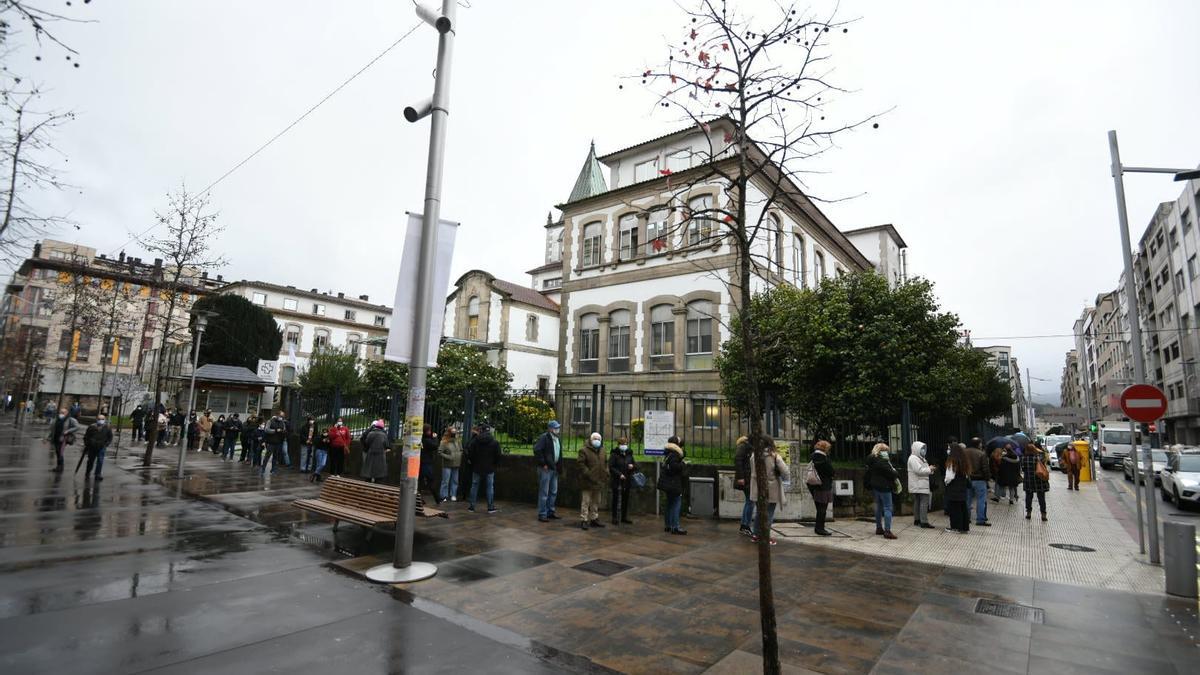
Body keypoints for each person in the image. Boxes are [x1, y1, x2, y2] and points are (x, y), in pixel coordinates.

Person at [749, 437, 791, 545]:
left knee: (759, 512)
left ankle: (755, 535)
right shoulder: (774, 456)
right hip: (771, 488)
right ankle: (765, 537)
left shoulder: (754, 455)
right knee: (769, 513)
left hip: (756, 487)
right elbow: (786, 471)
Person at [865, 442, 898, 539]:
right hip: (885, 486)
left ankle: (879, 527)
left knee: (878, 506)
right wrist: (895, 472)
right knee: (888, 508)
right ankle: (887, 531)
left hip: (875, 485)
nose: (887, 452)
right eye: (886, 451)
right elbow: (892, 473)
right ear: (882, 451)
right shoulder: (882, 461)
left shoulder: (871, 459)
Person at [533, 420, 563, 522]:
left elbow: (559, 453)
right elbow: (537, 450)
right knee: (544, 492)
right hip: (545, 469)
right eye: (555, 428)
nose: (557, 429)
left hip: (554, 468)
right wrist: (543, 464)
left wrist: (559, 467)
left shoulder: (557, 438)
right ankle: (542, 514)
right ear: (550, 429)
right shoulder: (544, 437)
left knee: (553, 491)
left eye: (558, 427)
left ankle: (550, 511)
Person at [467, 425, 501, 513]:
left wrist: (473, 462)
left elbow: (470, 453)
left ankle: (471, 506)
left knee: (474, 486)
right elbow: (498, 456)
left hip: (477, 467)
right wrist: (494, 464)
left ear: (480, 431)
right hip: (489, 468)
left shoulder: (475, 441)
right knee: (490, 487)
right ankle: (490, 507)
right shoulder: (494, 442)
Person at [577, 432, 607, 530]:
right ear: (590, 439)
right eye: (595, 438)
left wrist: (606, 472)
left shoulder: (602, 450)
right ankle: (584, 519)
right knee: (586, 501)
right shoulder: (584, 450)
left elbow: (606, 463)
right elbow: (580, 464)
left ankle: (594, 518)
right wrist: (588, 473)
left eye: (598, 439)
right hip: (587, 481)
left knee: (596, 501)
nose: (597, 441)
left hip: (599, 480)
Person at [658, 436, 687, 535]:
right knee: (676, 504)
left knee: (670, 504)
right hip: (673, 483)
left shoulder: (668, 453)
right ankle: (675, 527)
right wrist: (683, 464)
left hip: (668, 483)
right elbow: (675, 467)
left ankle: (668, 525)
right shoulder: (675, 454)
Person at [808, 440, 834, 536]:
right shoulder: (823, 458)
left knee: (819, 507)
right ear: (825, 448)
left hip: (814, 484)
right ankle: (820, 528)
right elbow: (830, 471)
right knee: (822, 508)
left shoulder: (813, 456)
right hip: (823, 485)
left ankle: (819, 527)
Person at [944, 443, 971, 533]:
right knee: (962, 508)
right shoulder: (963, 460)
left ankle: (955, 527)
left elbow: (949, 477)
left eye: (949, 448)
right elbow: (967, 476)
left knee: (954, 509)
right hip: (962, 488)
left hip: (953, 488)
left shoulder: (952, 461)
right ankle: (964, 527)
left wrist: (946, 482)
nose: (947, 450)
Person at [608, 436, 636, 525]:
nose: (624, 445)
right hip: (617, 480)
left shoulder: (629, 454)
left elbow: (634, 464)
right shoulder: (614, 454)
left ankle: (624, 517)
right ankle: (614, 517)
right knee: (616, 499)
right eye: (622, 444)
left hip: (627, 480)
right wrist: (619, 474)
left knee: (625, 499)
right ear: (619, 445)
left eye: (625, 444)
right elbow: (611, 467)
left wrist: (632, 466)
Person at [965, 437, 991, 527]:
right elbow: (985, 468)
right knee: (981, 500)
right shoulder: (981, 454)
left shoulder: (965, 452)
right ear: (978, 444)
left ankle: (966, 518)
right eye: (980, 443)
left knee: (967, 499)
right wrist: (987, 478)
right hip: (980, 480)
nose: (981, 445)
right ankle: (980, 519)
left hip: (968, 479)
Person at [1020, 442, 1050, 521]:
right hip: (1039, 481)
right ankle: (1043, 515)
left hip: (1028, 481)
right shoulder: (1038, 458)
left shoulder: (1024, 459)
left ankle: (1028, 513)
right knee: (1041, 499)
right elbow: (1044, 467)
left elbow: (1023, 469)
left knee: (1029, 498)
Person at [908, 441, 934, 529]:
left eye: (924, 448)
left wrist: (930, 469)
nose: (923, 450)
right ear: (916, 449)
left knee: (918, 502)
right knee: (923, 503)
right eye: (921, 448)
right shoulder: (914, 458)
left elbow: (923, 469)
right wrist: (929, 469)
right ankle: (924, 521)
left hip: (919, 484)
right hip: (919, 484)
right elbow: (919, 470)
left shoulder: (919, 458)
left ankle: (917, 520)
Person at [46, 407, 81, 472]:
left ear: (66, 413)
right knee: (58, 452)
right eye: (61, 412)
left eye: (63, 412)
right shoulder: (56, 419)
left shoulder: (70, 419)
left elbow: (77, 427)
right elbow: (52, 429)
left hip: (64, 438)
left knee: (60, 452)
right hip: (56, 438)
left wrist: (68, 431)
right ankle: (59, 466)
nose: (61, 413)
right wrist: (48, 438)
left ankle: (60, 467)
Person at [734, 436, 755, 537]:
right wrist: (741, 477)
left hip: (749, 478)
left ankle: (744, 525)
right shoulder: (743, 446)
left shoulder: (748, 446)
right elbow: (738, 461)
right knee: (750, 501)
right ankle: (745, 525)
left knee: (749, 501)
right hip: (746, 478)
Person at [82, 414, 114, 481]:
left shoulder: (107, 427)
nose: (101, 420)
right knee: (90, 461)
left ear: (105, 420)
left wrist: (106, 444)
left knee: (100, 461)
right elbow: (86, 436)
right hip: (92, 447)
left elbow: (110, 437)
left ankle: (98, 474)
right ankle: (88, 472)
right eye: (99, 419)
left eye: (102, 419)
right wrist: (87, 444)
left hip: (102, 447)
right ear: (96, 419)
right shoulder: (92, 427)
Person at [438, 426, 462, 502]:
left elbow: (461, 449)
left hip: (456, 463)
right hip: (447, 464)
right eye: (452, 432)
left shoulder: (458, 441)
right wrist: (448, 456)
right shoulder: (444, 442)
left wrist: (459, 455)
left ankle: (453, 494)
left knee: (455, 480)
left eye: (455, 432)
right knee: (445, 481)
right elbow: (439, 452)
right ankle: (443, 496)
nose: (454, 434)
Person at [421, 424, 441, 504]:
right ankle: (437, 499)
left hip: (421, 462)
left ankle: (420, 499)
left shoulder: (422, 439)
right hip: (427, 463)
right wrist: (435, 437)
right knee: (431, 482)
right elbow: (435, 445)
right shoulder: (427, 441)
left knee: (420, 482)